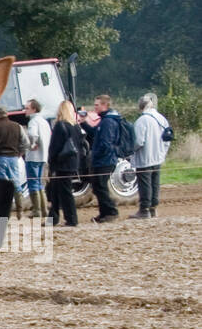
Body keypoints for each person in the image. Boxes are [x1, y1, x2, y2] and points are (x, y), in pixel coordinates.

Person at [82, 94, 122, 223]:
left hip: (105, 160)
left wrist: (95, 153)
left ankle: (111, 212)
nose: (95, 107)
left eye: (97, 105)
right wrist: (83, 123)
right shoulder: (104, 121)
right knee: (98, 187)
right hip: (102, 159)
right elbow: (95, 133)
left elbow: (106, 143)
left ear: (105, 105)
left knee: (100, 187)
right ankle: (104, 213)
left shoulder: (108, 122)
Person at [130, 92, 170, 219]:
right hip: (158, 157)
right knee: (155, 183)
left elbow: (138, 141)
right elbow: (167, 137)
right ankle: (153, 208)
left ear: (140, 106)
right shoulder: (161, 118)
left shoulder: (142, 120)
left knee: (145, 184)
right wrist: (162, 153)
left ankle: (144, 209)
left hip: (145, 158)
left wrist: (130, 150)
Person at [46, 101, 81, 227]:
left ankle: (71, 219)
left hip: (61, 163)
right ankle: (52, 219)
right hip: (71, 162)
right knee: (56, 191)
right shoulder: (75, 127)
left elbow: (54, 147)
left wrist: (51, 161)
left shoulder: (60, 126)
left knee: (64, 193)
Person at [0, 107, 28, 215]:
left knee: (0, 185)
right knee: (16, 182)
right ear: (7, 114)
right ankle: (20, 209)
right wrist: (19, 154)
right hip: (13, 158)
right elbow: (26, 144)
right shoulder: (17, 126)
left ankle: (3, 211)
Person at [23, 99, 51, 218]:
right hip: (43, 156)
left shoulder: (33, 121)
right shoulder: (44, 121)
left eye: (27, 108)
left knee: (33, 184)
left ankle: (37, 210)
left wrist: (31, 145)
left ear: (34, 109)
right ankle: (44, 210)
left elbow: (33, 135)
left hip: (33, 157)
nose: (25, 110)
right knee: (40, 184)